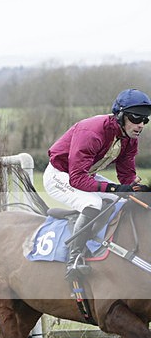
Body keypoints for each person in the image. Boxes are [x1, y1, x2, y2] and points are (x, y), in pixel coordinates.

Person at [43, 88, 151, 280]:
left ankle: (99, 243)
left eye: (146, 119)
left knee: (121, 200)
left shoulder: (130, 139)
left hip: (85, 174)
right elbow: (76, 179)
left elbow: (126, 177)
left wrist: (136, 189)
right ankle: (74, 258)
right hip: (59, 176)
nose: (141, 124)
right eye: (136, 118)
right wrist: (115, 188)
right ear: (120, 115)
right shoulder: (92, 132)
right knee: (93, 203)